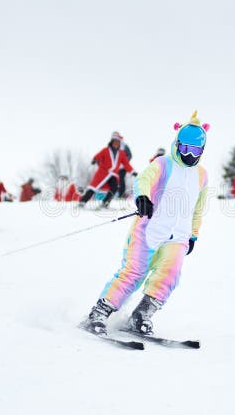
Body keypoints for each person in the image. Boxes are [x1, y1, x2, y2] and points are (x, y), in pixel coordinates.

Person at [80, 111, 210, 337]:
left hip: (179, 236)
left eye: (195, 150)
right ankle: (99, 312)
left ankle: (141, 315)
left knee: (170, 275)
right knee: (134, 273)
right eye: (185, 148)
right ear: (177, 144)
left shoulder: (201, 175)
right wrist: (143, 197)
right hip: (150, 230)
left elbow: (198, 208)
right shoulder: (164, 164)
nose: (189, 154)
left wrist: (193, 235)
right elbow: (144, 180)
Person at [79, 131, 135, 209]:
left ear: (119, 144)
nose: (116, 144)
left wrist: (132, 172)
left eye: (118, 143)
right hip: (103, 172)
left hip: (113, 175)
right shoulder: (105, 150)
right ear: (111, 142)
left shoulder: (121, 153)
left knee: (115, 187)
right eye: (115, 142)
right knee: (93, 188)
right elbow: (98, 156)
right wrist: (95, 159)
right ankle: (82, 202)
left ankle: (105, 203)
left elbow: (126, 164)